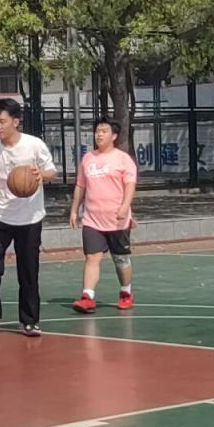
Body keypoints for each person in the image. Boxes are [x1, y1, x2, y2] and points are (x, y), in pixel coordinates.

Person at [0, 98, 57, 338]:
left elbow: (52, 171)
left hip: (30, 217)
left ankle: (29, 321)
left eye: (2, 121)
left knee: (28, 271)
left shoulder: (34, 145)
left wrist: (41, 174)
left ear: (15, 122)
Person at [69, 117, 138, 313]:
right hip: (92, 219)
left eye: (104, 131)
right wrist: (74, 210)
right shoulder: (88, 158)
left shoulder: (123, 159)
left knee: (121, 260)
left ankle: (126, 292)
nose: (99, 134)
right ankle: (87, 297)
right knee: (92, 257)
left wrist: (125, 206)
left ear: (114, 136)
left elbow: (130, 185)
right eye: (97, 131)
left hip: (117, 220)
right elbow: (80, 186)